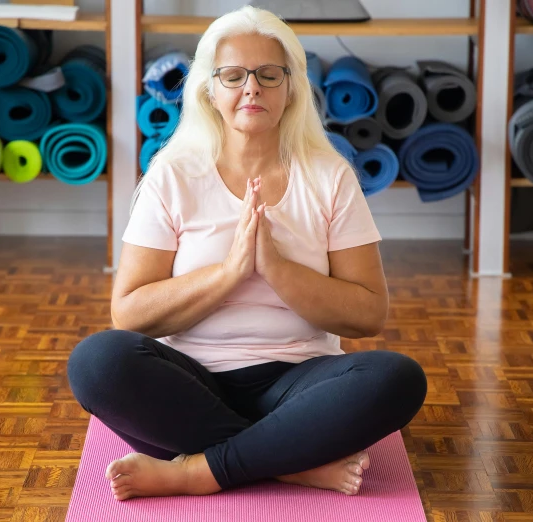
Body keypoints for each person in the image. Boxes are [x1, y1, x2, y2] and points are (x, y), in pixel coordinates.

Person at [67, 5, 427, 502]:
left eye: (268, 75)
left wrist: (276, 268)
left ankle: (198, 471)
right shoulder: (172, 176)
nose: (251, 88)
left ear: (291, 88)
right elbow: (128, 311)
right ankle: (288, 461)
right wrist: (230, 271)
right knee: (97, 362)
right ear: (210, 91)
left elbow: (368, 314)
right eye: (233, 76)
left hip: (299, 382)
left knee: (398, 379)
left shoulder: (329, 176)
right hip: (190, 382)